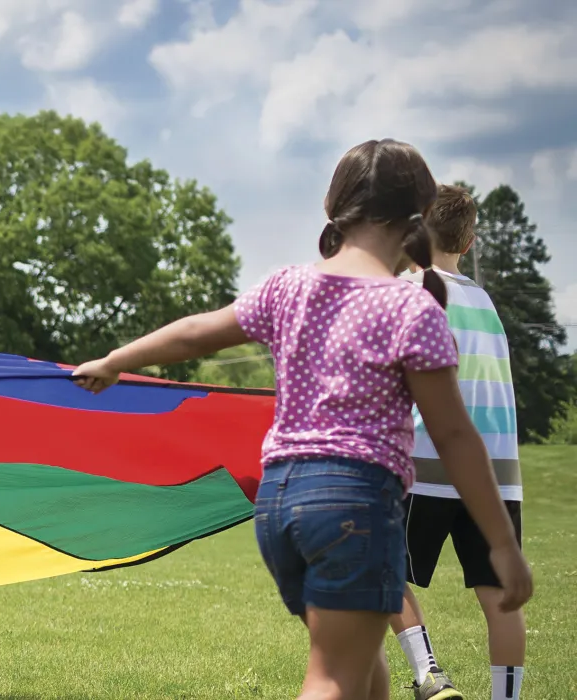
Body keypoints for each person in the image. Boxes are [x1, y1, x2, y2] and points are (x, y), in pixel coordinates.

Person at [70, 138, 531, 700]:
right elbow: (455, 435)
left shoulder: (289, 285)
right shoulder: (412, 306)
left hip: (281, 505)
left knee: (366, 671)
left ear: (332, 206)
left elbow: (198, 329)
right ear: (416, 219)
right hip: (352, 503)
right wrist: (502, 544)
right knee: (335, 677)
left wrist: (118, 360)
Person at [392, 184, 527, 700]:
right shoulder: (487, 304)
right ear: (467, 243)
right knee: (500, 600)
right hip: (495, 476)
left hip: (425, 462)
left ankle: (429, 674)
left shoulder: (410, 291)